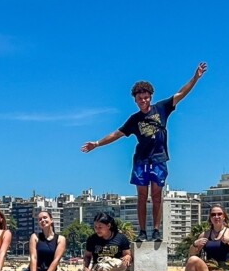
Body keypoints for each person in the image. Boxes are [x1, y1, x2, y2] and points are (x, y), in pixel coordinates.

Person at [81, 63, 206, 243]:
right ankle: (142, 231)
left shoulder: (161, 108)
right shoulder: (134, 119)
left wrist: (195, 78)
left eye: (146, 97)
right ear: (135, 100)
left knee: (156, 195)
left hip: (159, 159)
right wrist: (97, 143)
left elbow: (181, 94)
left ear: (150, 97)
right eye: (140, 98)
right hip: (141, 160)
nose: (143, 101)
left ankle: (155, 230)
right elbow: (117, 133)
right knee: (141, 196)